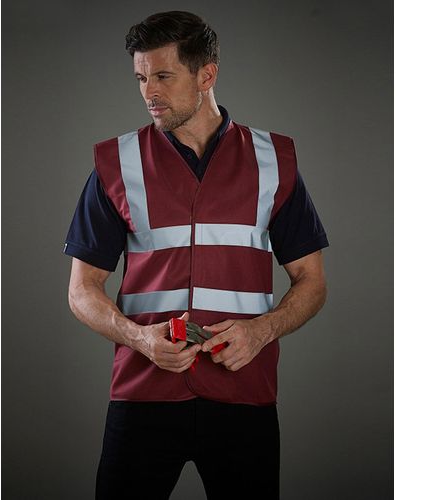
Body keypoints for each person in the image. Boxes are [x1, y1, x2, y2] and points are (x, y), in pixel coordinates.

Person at [63, 10, 329, 500]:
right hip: (144, 391)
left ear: (207, 75)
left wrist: (262, 330)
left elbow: (312, 280)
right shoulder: (115, 163)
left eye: (163, 76)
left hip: (243, 391)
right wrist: (141, 339)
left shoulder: (274, 161)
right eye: (141, 78)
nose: (149, 92)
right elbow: (81, 290)